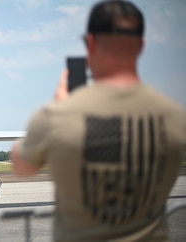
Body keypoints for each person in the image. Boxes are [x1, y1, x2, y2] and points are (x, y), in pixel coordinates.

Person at [11, 0, 186, 241]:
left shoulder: (55, 116)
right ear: (142, 46)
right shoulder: (176, 116)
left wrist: (59, 111)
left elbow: (21, 167)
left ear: (90, 42)